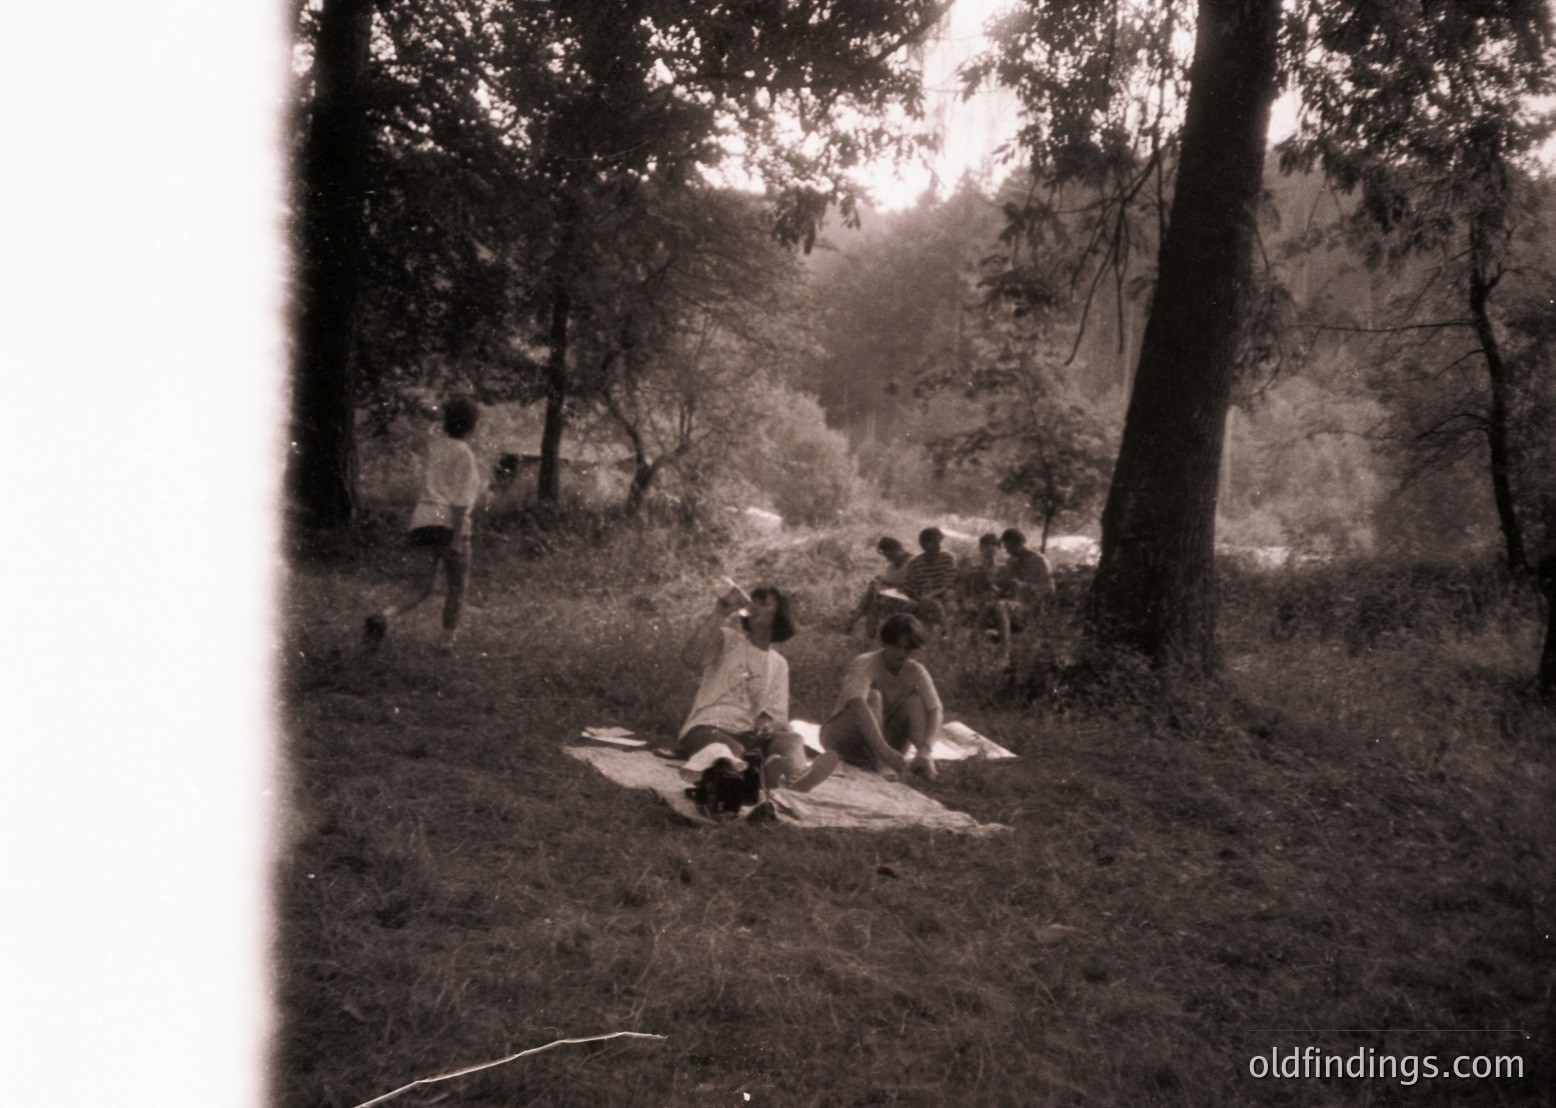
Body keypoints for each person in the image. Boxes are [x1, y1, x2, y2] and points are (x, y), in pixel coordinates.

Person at [678, 583, 839, 792]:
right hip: (707, 727)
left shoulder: (779, 663)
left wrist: (767, 725)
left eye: (764, 603)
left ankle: (797, 776)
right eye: (753, 601)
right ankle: (759, 775)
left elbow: (772, 714)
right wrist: (720, 612)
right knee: (732, 749)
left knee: (791, 739)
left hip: (748, 733)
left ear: (778, 615)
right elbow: (690, 658)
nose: (754, 607)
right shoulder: (728, 639)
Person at [362, 395, 483, 654]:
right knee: (457, 588)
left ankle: (385, 616)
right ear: (472, 425)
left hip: (423, 518)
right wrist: (457, 538)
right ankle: (445, 644)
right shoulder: (465, 455)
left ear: (447, 422)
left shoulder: (435, 447)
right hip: (449, 522)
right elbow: (461, 501)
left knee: (419, 587)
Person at [820, 613, 943, 782]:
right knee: (872, 696)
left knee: (915, 702)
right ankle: (880, 761)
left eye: (907, 648)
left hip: (884, 740)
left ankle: (922, 763)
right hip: (843, 738)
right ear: (884, 642)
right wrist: (883, 752)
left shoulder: (916, 671)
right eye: (896, 646)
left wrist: (926, 749)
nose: (901, 653)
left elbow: (936, 709)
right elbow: (856, 703)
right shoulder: (865, 662)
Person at [985, 527, 1056, 662]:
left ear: (1019, 544)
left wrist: (1024, 586)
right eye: (1006, 548)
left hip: (1030, 606)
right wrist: (994, 586)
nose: (1008, 551)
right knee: (987, 606)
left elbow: (1049, 590)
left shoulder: (1038, 560)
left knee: (1001, 606)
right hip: (1012, 604)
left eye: (1009, 547)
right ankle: (976, 646)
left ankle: (1005, 651)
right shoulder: (1012, 561)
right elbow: (1004, 588)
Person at [841, 536, 914, 637]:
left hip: (909, 596)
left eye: (889, 555)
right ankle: (858, 625)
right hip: (895, 594)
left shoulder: (912, 562)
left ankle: (854, 621)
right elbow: (888, 580)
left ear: (896, 550)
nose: (888, 559)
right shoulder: (892, 566)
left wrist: (888, 586)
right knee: (874, 589)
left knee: (875, 596)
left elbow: (911, 584)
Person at [903, 526, 958, 629]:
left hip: (943, 596)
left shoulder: (948, 558)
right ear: (924, 545)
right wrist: (917, 596)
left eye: (939, 542)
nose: (939, 546)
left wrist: (932, 594)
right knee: (909, 606)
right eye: (934, 543)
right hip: (921, 598)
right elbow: (909, 585)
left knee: (945, 605)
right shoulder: (915, 563)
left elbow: (949, 583)